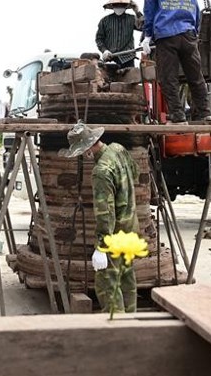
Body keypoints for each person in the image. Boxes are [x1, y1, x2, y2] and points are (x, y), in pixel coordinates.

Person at [64, 122, 140, 314]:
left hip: (114, 237)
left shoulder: (101, 172)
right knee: (127, 280)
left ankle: (117, 330)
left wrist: (101, 247)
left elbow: (105, 213)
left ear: (88, 148)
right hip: (131, 230)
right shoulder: (118, 149)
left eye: (81, 151)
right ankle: (131, 326)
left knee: (107, 284)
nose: (82, 155)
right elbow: (136, 173)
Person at [136, 0, 211, 123]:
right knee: (196, 76)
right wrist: (194, 32)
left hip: (166, 35)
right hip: (188, 34)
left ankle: (177, 116)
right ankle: (206, 113)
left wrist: (147, 35)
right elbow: (196, 10)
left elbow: (150, 7)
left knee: (167, 77)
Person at [95, 0, 144, 68]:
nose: (119, 7)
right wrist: (104, 50)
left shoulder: (132, 19)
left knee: (131, 79)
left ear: (126, 6)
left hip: (128, 58)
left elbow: (144, 27)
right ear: (112, 6)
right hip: (111, 58)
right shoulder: (105, 21)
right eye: (116, 5)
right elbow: (99, 39)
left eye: (121, 5)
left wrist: (137, 11)